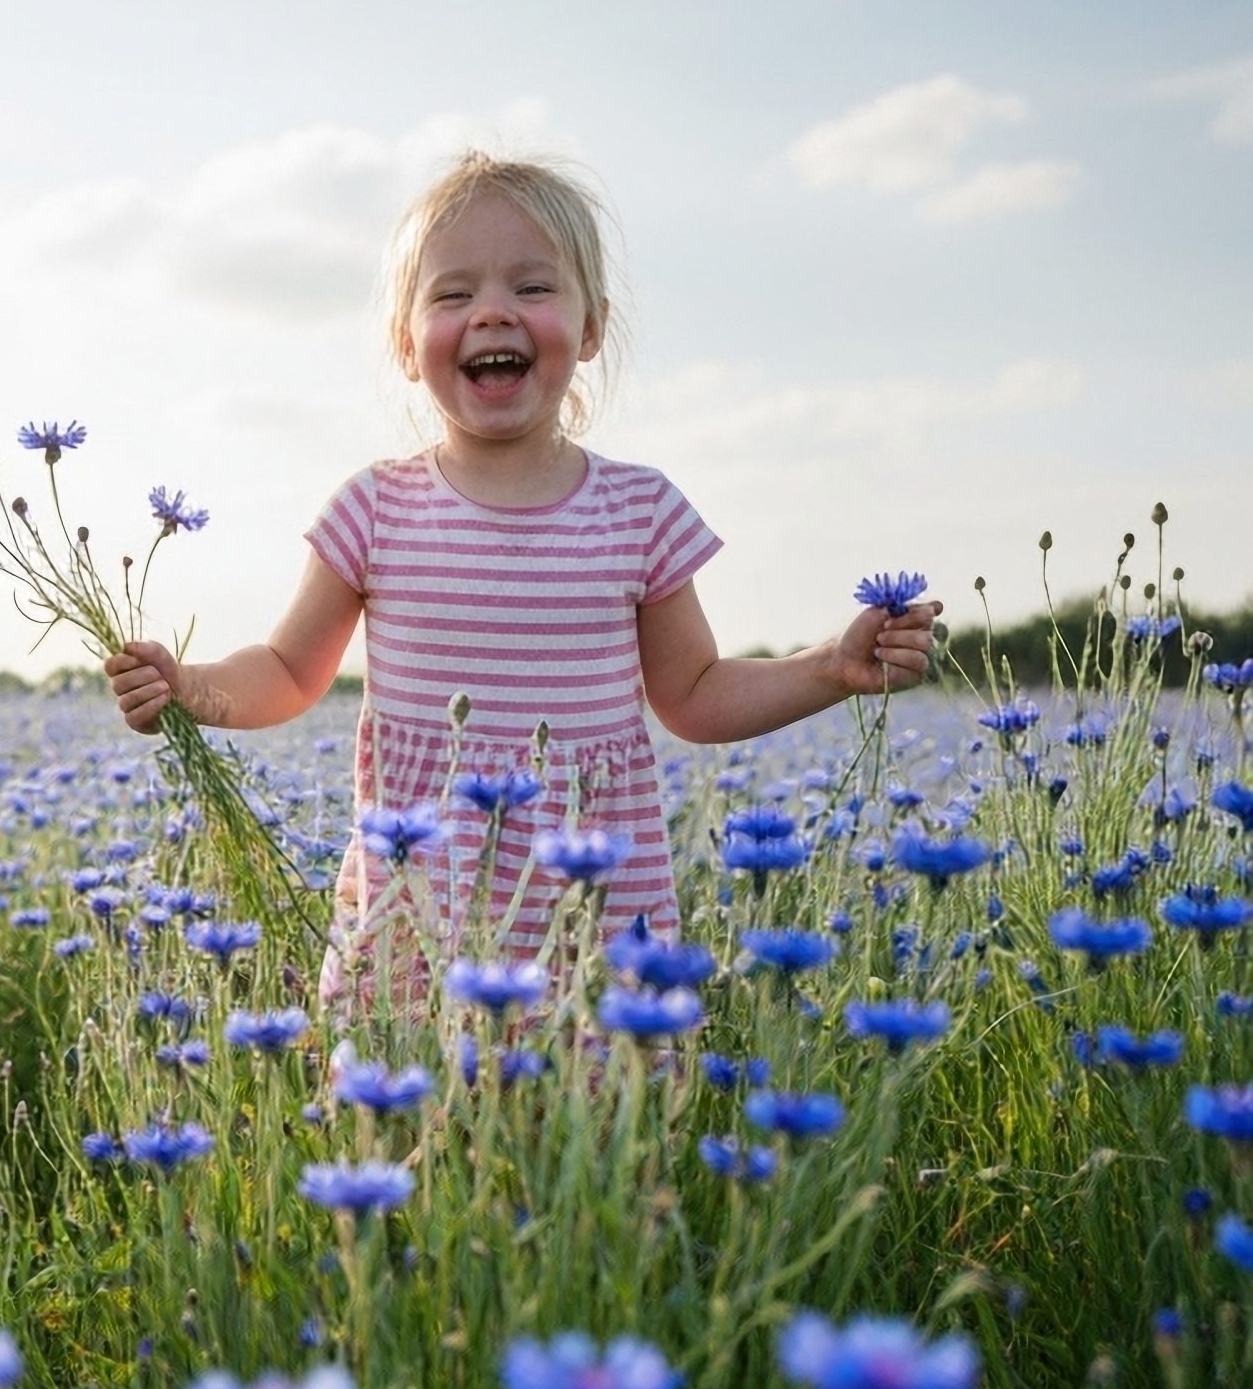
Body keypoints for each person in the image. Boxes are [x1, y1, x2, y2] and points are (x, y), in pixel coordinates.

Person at [102, 149, 941, 1008]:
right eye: (453, 294)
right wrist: (190, 687)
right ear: (405, 339)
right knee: (409, 1118)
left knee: (590, 1131)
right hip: (421, 892)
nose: (492, 313)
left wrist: (831, 669)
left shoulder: (637, 510)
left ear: (590, 329)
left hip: (592, 898)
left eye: (533, 289)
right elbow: (286, 673)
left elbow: (692, 694)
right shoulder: (375, 509)